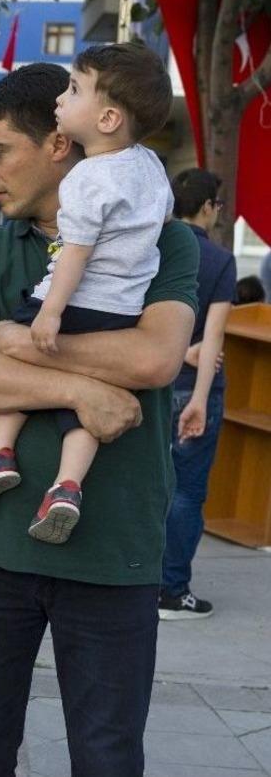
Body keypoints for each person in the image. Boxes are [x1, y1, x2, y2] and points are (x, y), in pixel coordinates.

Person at [0, 62, 198, 775]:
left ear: (58, 142)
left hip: (113, 550)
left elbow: (154, 360)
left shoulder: (165, 242)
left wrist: (23, 346)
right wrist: (83, 392)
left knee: (108, 758)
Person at [0, 43, 174, 546]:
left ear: (105, 117)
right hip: (120, 310)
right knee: (80, 410)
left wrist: (48, 316)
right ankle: (67, 486)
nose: (63, 98)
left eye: (73, 90)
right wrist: (88, 387)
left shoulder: (85, 180)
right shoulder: (148, 167)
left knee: (15, 352)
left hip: (74, 299)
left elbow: (75, 252)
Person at [158, 168, 237, 620]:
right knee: (186, 491)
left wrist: (175, 352)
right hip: (190, 388)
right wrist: (200, 400)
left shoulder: (155, 249)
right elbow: (214, 339)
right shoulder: (219, 260)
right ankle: (173, 591)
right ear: (208, 207)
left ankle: (139, 580)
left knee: (148, 486)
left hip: (151, 382)